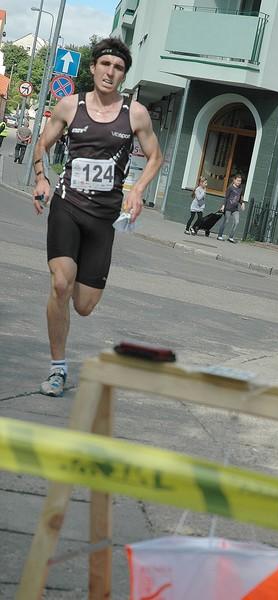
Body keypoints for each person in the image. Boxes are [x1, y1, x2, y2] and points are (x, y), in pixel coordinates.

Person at [32, 37, 163, 397]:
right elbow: (41, 142)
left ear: (124, 76)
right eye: (105, 64)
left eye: (118, 68)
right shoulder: (70, 106)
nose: (110, 72)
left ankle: (74, 278)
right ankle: (58, 369)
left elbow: (156, 157)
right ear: (92, 68)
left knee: (84, 306)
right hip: (67, 206)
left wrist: (136, 190)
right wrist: (42, 179)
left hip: (103, 220)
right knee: (61, 282)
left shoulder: (134, 113)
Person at [217, 174, 244, 243]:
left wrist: (242, 203)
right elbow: (226, 197)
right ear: (234, 180)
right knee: (226, 221)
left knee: (237, 222)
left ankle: (231, 237)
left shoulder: (240, 189)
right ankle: (219, 235)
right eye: (238, 181)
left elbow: (240, 198)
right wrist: (223, 206)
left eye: (240, 181)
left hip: (235, 209)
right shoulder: (230, 188)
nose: (239, 182)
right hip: (228, 208)